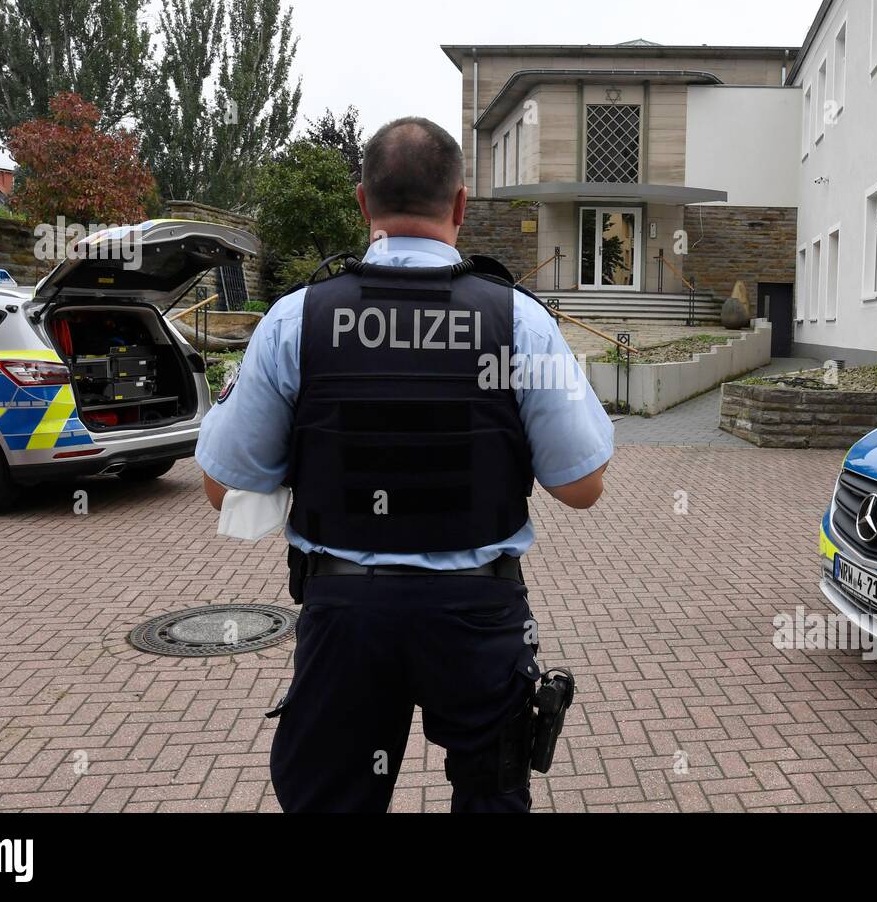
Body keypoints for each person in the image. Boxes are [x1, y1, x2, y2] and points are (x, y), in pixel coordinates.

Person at [195, 116, 614, 812]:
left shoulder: (296, 320)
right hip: (477, 616)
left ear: (364, 203)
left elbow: (223, 486)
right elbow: (581, 486)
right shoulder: (520, 321)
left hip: (345, 615)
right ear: (459, 205)